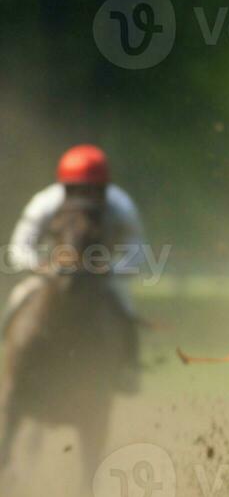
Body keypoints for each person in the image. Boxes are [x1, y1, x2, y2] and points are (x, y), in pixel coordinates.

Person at [4, 144, 145, 392]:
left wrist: (111, 268)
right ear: (64, 187)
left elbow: (137, 250)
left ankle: (128, 369)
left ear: (104, 189)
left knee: (124, 306)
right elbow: (19, 247)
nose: (84, 196)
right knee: (19, 297)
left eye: (92, 190)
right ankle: (8, 359)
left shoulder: (120, 205)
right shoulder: (45, 203)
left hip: (100, 275)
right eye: (75, 189)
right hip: (54, 272)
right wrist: (39, 265)